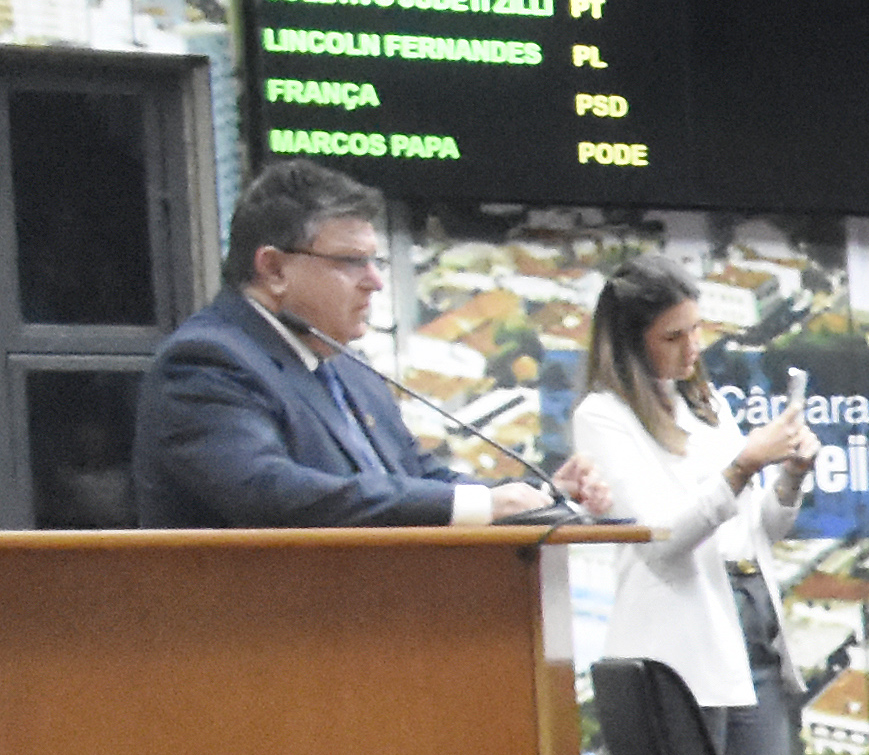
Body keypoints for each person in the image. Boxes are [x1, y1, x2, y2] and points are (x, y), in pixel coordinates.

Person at [563, 260, 812, 755]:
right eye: (674, 336)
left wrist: (790, 474)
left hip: (753, 634)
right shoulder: (604, 415)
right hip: (675, 651)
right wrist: (740, 467)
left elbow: (762, 528)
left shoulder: (704, 404)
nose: (692, 347)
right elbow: (662, 536)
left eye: (697, 329)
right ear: (633, 342)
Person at [144, 162, 589, 529]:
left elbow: (423, 478)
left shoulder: (349, 368)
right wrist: (479, 509)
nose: (374, 282)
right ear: (274, 268)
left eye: (373, 261)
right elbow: (269, 492)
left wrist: (539, 495)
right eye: (350, 262)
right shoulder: (207, 362)